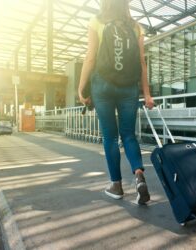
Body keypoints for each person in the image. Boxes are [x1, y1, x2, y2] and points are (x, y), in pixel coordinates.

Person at [78, 0, 154, 204]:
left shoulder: (96, 20)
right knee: (129, 134)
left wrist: (81, 87)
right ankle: (139, 175)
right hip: (129, 87)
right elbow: (141, 62)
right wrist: (146, 94)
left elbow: (90, 57)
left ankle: (116, 185)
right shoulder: (136, 27)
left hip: (102, 85)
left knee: (110, 137)